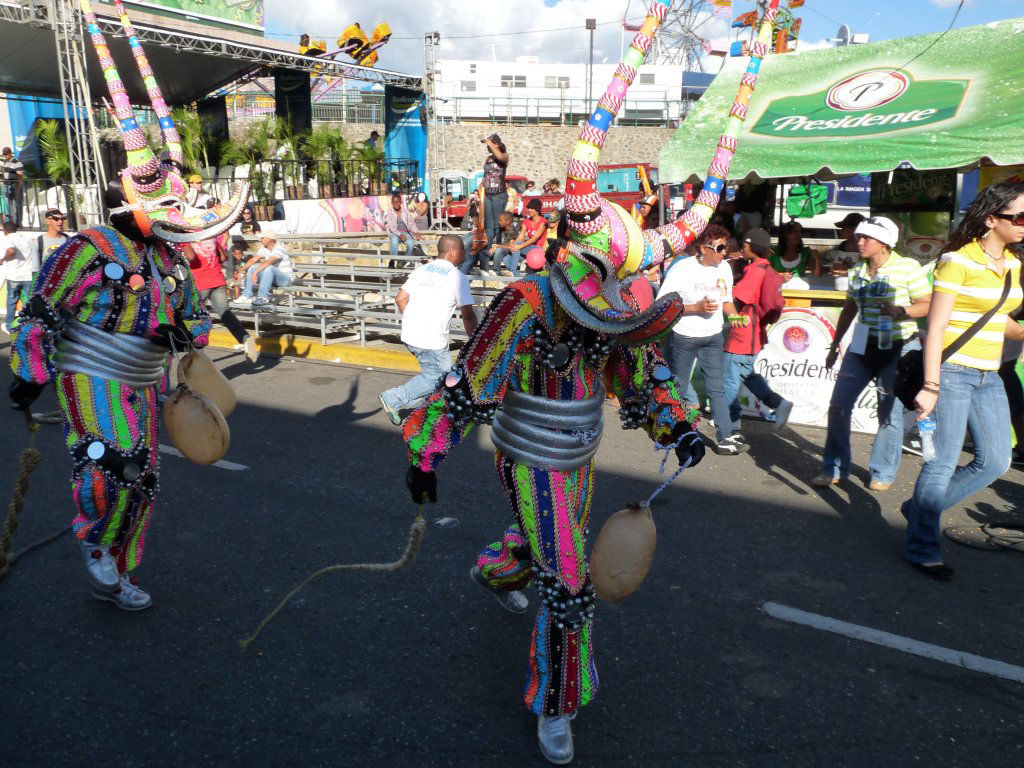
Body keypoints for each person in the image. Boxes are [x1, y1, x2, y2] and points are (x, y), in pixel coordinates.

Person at [8, 0, 249, 610]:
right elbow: (40, 311)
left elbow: (194, 314)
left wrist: (182, 335)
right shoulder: (90, 247)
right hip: (90, 376)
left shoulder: (170, 262)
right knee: (110, 460)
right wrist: (28, 377)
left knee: (144, 477)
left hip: (144, 382)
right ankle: (95, 545)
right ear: (127, 191)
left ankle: (117, 560)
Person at [903, 183, 1024, 579]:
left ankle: (920, 509)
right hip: (952, 373)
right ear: (992, 220)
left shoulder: (1014, 263)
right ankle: (922, 546)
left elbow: (1000, 319)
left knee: (996, 460)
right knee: (940, 463)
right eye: (1018, 217)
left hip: (990, 375)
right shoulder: (957, 261)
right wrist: (931, 385)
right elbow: (935, 327)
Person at [812, 216, 932, 490]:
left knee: (889, 412)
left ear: (885, 242)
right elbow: (849, 309)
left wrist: (902, 311)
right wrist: (834, 345)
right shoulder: (856, 271)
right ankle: (833, 468)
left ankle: (883, 472)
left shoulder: (908, 267)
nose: (859, 241)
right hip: (862, 346)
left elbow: (927, 304)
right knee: (839, 406)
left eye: (866, 237)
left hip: (899, 346)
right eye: (859, 236)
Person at [658, 223, 747, 455]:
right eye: (719, 247)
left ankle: (725, 438)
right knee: (678, 389)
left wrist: (734, 315)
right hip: (685, 337)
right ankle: (674, 435)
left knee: (716, 388)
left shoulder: (724, 269)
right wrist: (696, 307)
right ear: (702, 247)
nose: (723, 253)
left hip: (713, 337)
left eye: (725, 247)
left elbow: (726, 300)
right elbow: (664, 304)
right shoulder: (682, 269)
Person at [378, 234, 477, 424]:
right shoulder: (458, 278)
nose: (466, 253)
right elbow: (469, 315)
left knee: (444, 379)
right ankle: (394, 398)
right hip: (431, 340)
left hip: (410, 334)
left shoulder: (421, 271)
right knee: (438, 379)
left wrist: (415, 320)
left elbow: (400, 299)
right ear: (453, 251)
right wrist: (477, 339)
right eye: (463, 250)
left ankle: (429, 412)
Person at [722, 227, 793, 439]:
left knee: (729, 381)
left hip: (742, 334)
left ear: (753, 247)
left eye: (745, 244)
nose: (742, 247)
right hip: (755, 334)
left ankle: (731, 427)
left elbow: (737, 298)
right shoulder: (768, 269)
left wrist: (723, 292)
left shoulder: (754, 272)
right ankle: (779, 404)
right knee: (746, 374)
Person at [186, 232, 258, 362]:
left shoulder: (186, 238)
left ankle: (196, 353)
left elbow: (191, 258)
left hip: (200, 282)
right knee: (224, 312)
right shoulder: (211, 237)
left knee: (194, 317)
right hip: (217, 280)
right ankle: (244, 337)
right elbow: (224, 257)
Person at [234, 228, 294, 307]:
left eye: (262, 238)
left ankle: (263, 297)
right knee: (253, 267)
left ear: (269, 239)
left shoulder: (280, 249)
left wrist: (256, 272)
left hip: (286, 280)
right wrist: (241, 270)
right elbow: (253, 259)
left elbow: (269, 261)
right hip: (273, 279)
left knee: (269, 268)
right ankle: (247, 295)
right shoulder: (264, 249)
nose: (260, 240)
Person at [497, 199, 547, 275]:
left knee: (517, 245)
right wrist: (514, 246)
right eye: (528, 208)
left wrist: (519, 246)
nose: (529, 210)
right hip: (528, 249)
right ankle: (518, 277)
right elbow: (520, 236)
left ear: (537, 210)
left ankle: (512, 271)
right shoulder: (526, 221)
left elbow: (534, 239)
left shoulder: (543, 222)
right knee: (506, 259)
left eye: (531, 208)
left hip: (539, 249)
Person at [1, 221, 33, 333]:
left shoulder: (7, 238)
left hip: (14, 276)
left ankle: (10, 326)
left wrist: (3, 259)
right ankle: (29, 325)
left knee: (11, 301)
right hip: (28, 275)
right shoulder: (25, 238)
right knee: (28, 302)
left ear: (4, 230)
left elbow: (11, 250)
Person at [481, 133, 509, 248]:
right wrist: (481, 183)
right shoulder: (489, 158)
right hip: (488, 194)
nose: (487, 147)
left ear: (496, 144)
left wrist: (490, 144)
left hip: (499, 194)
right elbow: (486, 174)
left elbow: (500, 158)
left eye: (489, 144)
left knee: (498, 224)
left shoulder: (504, 156)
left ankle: (498, 247)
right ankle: (488, 248)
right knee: (489, 224)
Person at [230, 203, 261, 299]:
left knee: (251, 268)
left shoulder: (255, 223)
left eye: (248, 213)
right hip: (245, 248)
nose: (246, 215)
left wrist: (253, 234)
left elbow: (259, 234)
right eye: (244, 213)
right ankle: (245, 293)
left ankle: (253, 292)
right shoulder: (242, 224)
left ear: (251, 213)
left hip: (253, 248)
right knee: (243, 269)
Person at [383, 192, 421, 259]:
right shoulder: (389, 213)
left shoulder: (405, 212)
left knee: (410, 243)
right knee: (394, 241)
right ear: (392, 203)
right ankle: (393, 260)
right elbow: (391, 227)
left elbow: (411, 223)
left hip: (405, 232)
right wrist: (400, 235)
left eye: (398, 201)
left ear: (401, 202)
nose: (396, 203)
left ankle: (406, 260)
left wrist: (416, 232)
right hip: (394, 233)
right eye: (394, 202)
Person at [485, 210, 520, 275]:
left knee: (498, 250)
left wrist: (497, 246)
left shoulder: (512, 231)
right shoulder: (501, 229)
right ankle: (484, 269)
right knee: (483, 251)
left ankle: (496, 271)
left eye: (501, 220)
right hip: (501, 249)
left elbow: (511, 247)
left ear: (508, 222)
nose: (499, 222)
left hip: (507, 252)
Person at [1, 146, 25, 225]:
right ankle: (10, 223)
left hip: (15, 185)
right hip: (7, 185)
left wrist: (18, 187)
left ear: (10, 153)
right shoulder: (6, 162)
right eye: (4, 154)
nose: (4, 156)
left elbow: (20, 176)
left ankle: (18, 223)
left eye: (6, 154)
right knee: (8, 205)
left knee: (18, 205)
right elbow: (5, 174)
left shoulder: (17, 162)